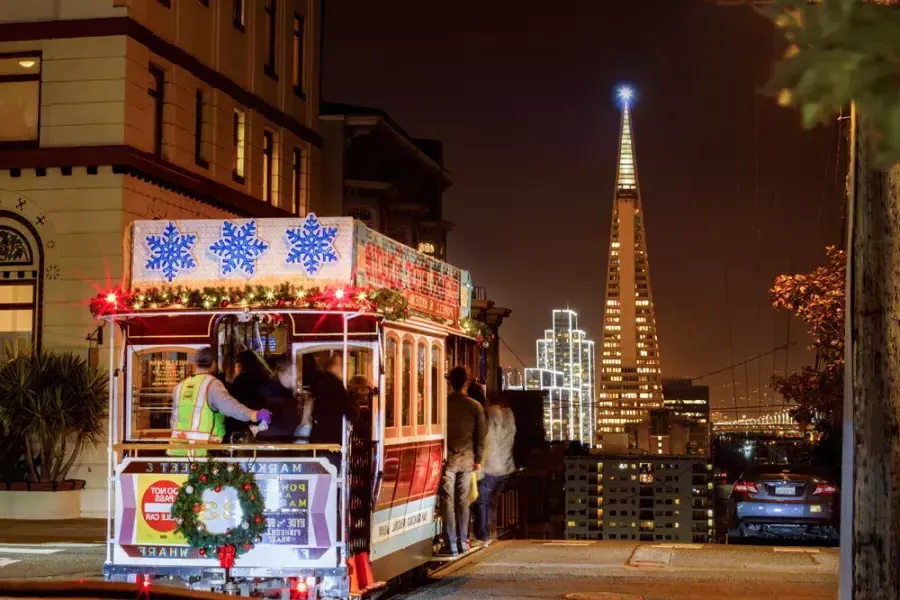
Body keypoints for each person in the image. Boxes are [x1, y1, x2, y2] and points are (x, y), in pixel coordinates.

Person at [169, 347, 271, 456]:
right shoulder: (211, 384)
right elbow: (230, 407)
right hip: (204, 450)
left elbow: (173, 419)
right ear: (213, 363)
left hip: (178, 448)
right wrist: (254, 414)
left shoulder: (180, 386)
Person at [440, 366, 486, 557]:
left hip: (447, 459)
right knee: (462, 501)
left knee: (447, 502)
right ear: (467, 382)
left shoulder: (443, 404)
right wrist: (478, 459)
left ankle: (450, 542)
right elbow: (481, 436)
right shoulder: (475, 406)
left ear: (450, 382)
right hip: (467, 459)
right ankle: (463, 541)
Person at [473, 392, 517, 546]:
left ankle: (483, 536)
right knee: (491, 502)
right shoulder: (510, 418)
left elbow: (484, 440)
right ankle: (490, 532)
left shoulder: (490, 418)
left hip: (491, 467)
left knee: (482, 502)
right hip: (506, 468)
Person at [309, 353, 358, 445]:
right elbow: (349, 411)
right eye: (340, 365)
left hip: (318, 435)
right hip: (332, 436)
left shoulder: (317, 381)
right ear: (332, 366)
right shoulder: (336, 384)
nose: (341, 369)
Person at [254, 354, 302, 443]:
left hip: (278, 437)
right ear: (280, 373)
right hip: (273, 439)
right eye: (290, 374)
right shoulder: (271, 390)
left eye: (296, 374)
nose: (294, 378)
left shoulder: (284, 390)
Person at [224, 349, 270, 440]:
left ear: (241, 365)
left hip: (241, 421)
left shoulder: (241, 380)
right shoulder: (263, 379)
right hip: (259, 421)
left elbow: (234, 403)